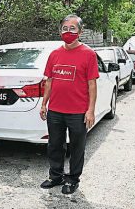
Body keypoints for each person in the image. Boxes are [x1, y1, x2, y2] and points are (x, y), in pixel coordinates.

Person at [39, 14, 99, 194]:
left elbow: (92, 84)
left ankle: (73, 179)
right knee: (55, 145)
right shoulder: (54, 54)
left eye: (72, 28)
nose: (68, 31)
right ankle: (55, 176)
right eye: (65, 28)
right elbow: (49, 81)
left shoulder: (88, 54)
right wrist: (44, 104)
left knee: (76, 147)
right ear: (60, 31)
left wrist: (90, 110)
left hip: (78, 112)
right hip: (55, 111)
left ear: (80, 31)